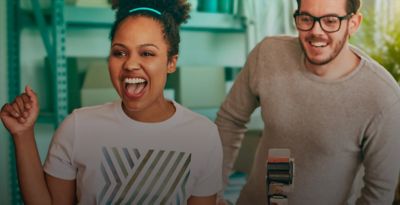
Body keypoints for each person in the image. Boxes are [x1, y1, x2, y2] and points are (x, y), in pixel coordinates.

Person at [0, 0, 223, 204]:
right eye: (120, 52)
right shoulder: (78, 126)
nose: (130, 64)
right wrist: (23, 134)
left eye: (146, 53)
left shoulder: (203, 135)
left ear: (171, 62)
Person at [216, 0, 400, 204]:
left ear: (353, 23)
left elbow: (379, 192)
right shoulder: (268, 54)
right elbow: (229, 121)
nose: (316, 31)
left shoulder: (383, 97)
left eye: (331, 21)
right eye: (306, 19)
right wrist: (211, 193)